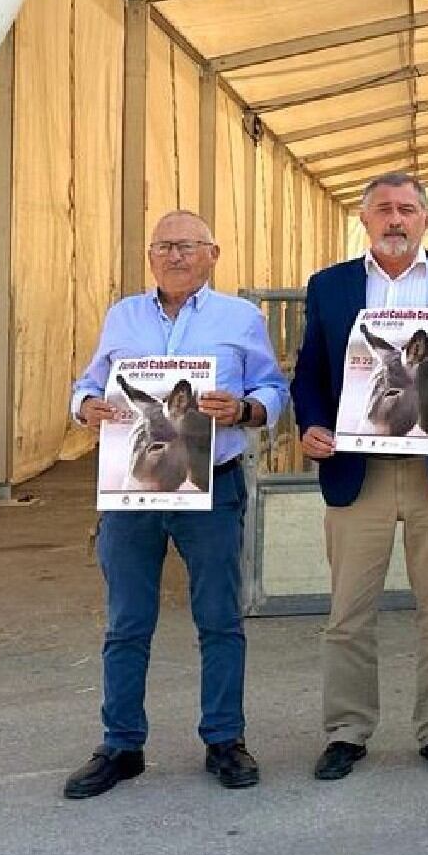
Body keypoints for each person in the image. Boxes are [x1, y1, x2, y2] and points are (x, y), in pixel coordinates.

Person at [65, 211, 288, 798]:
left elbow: (273, 389)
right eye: (164, 246)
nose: (175, 256)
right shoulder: (124, 316)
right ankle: (120, 743)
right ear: (150, 255)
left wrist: (244, 410)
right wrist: (85, 408)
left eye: (187, 246)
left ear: (213, 253)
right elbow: (88, 385)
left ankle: (224, 739)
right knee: (127, 620)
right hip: (130, 492)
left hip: (211, 482)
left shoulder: (240, 318)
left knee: (218, 617)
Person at [291, 172, 428, 782]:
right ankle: (347, 731)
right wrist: (308, 424)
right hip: (358, 472)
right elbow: (310, 372)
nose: (395, 219)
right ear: (363, 219)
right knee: (348, 612)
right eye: (383, 209)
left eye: (407, 209)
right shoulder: (330, 287)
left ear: (426, 220)